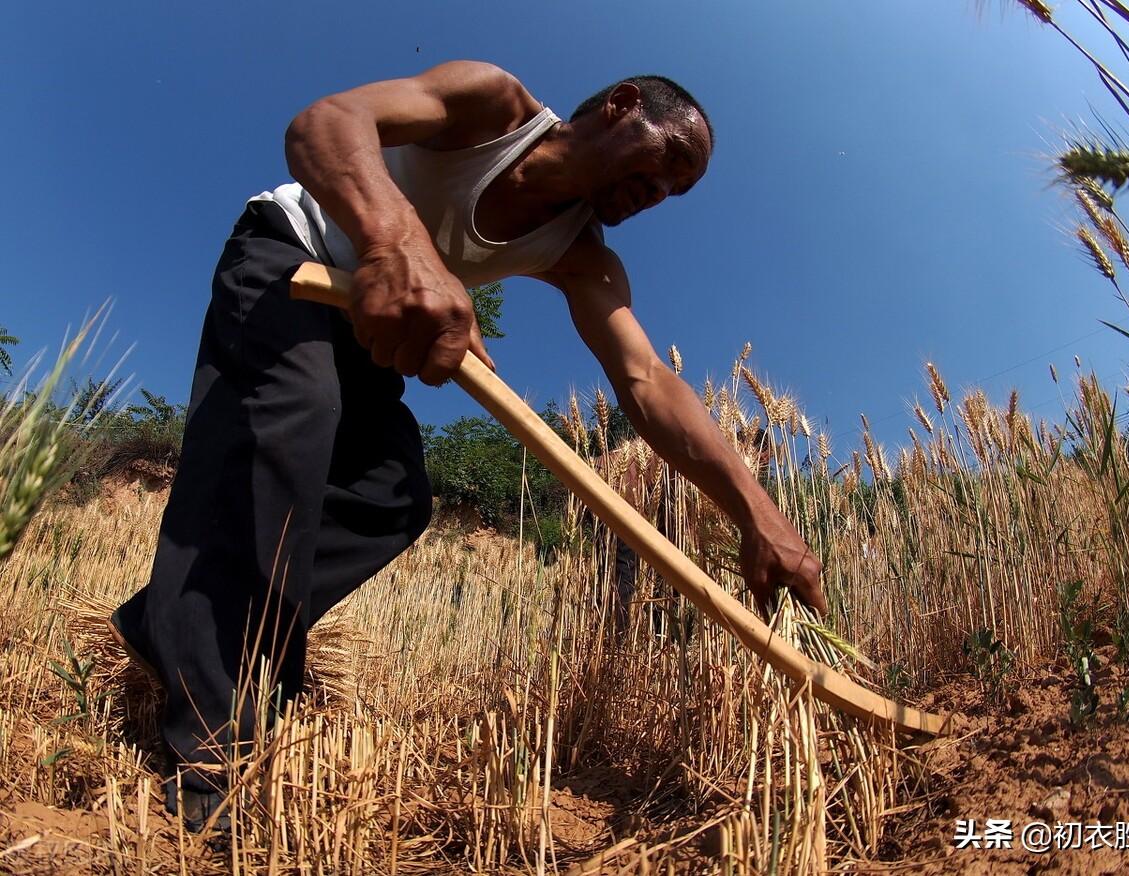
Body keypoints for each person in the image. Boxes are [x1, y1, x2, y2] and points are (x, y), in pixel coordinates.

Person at [107, 61, 826, 831]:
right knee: (293, 422)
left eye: (672, 193)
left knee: (390, 498)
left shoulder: (580, 254)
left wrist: (758, 512)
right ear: (622, 106)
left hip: (366, 324)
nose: (657, 195)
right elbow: (323, 123)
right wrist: (395, 244)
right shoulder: (489, 105)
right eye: (665, 164)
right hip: (293, 258)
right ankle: (214, 766)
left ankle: (181, 624)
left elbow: (648, 380)